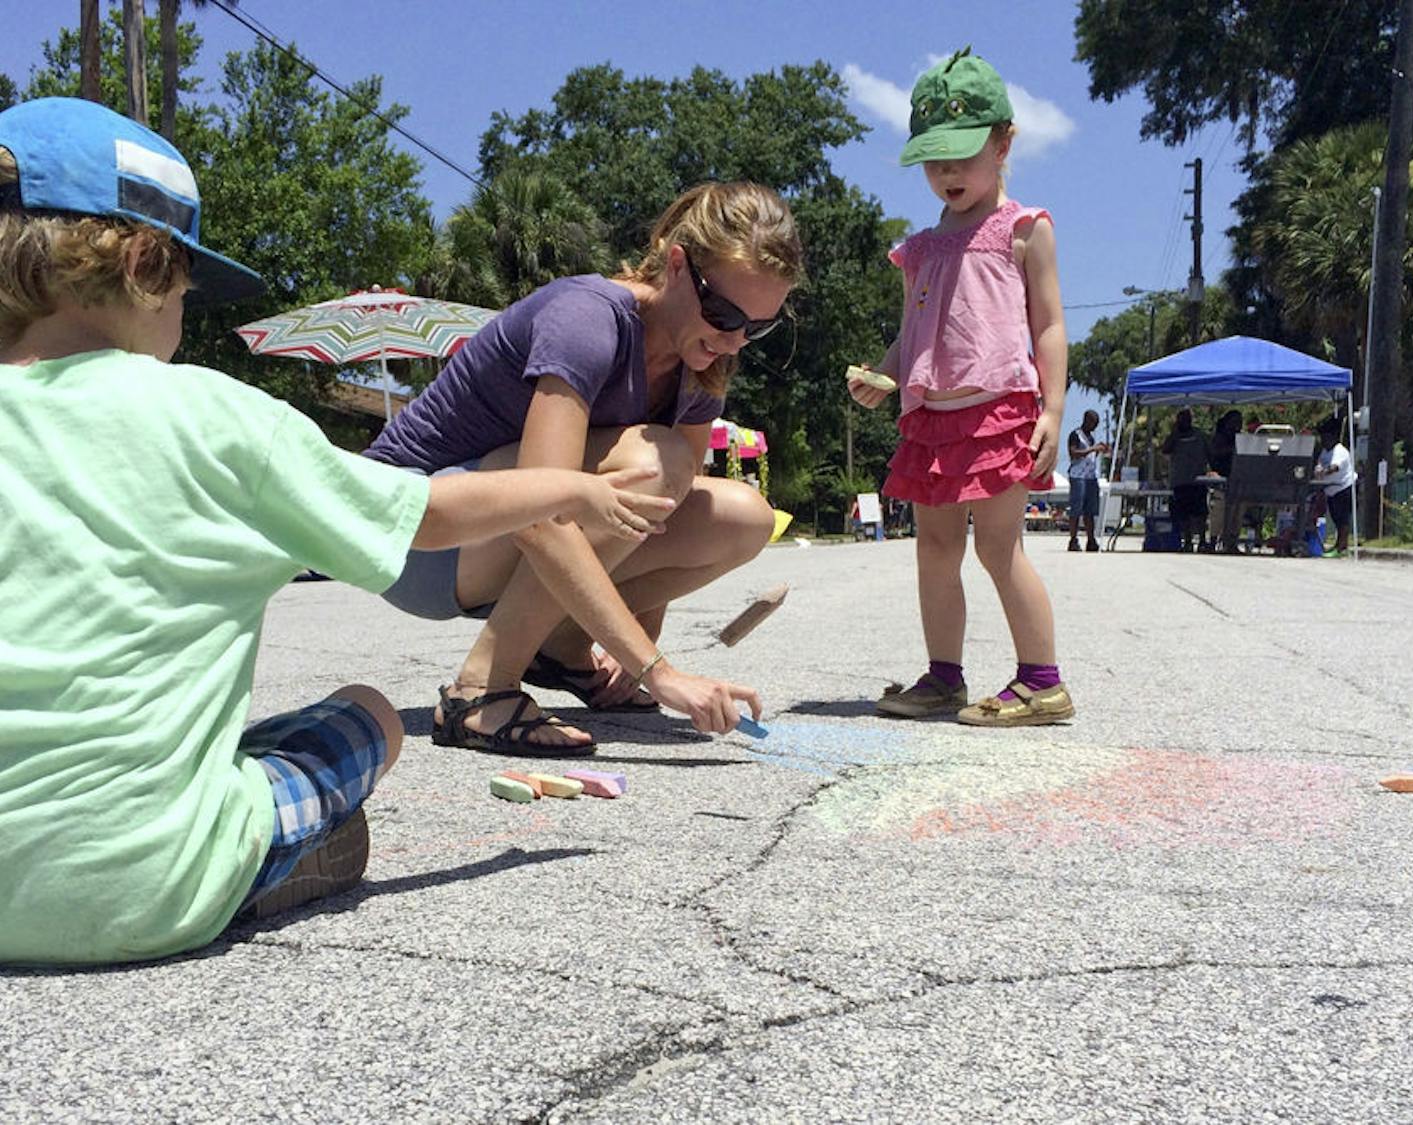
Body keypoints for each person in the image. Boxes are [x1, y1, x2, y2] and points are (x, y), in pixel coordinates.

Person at [0, 98, 671, 965]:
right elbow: (425, 512)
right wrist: (570, 486)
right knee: (367, 716)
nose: (183, 316)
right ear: (140, 262)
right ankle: (272, 861)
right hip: (145, 888)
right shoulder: (214, 416)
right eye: (187, 288)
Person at [365, 182, 798, 752]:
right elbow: (540, 517)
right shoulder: (589, 319)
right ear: (675, 266)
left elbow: (657, 515)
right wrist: (657, 671)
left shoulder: (702, 362)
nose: (735, 341)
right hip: (409, 537)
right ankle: (481, 689)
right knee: (656, 462)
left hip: (485, 539)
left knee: (744, 516)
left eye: (756, 328)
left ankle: (562, 648)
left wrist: (632, 651)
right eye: (723, 313)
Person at [847, 47, 1073, 728]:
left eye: (963, 156)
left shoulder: (1023, 231)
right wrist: (886, 374)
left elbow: (1052, 327)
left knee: (999, 548)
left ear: (1004, 144)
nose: (947, 172)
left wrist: (1053, 410)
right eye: (934, 159)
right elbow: (912, 331)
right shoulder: (919, 248)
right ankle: (943, 675)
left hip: (999, 409)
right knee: (935, 549)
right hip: (932, 420)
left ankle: (1042, 680)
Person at [1162, 408, 1210, 552]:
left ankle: (1202, 541)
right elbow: (1165, 449)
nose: (1184, 422)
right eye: (1181, 419)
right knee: (1183, 514)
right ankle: (1187, 541)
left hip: (1198, 480)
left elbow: (1209, 452)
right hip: (1180, 480)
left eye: (1187, 419)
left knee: (1200, 513)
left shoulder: (1199, 435)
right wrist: (1174, 433)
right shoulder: (1174, 437)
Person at [1313, 414, 1358, 556]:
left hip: (1344, 487)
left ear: (1332, 437)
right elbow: (1320, 462)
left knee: (1343, 518)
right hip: (1331, 490)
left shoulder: (1340, 451)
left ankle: (1342, 547)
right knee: (1335, 517)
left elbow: (1335, 467)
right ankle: (1337, 545)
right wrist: (1318, 467)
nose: (1323, 440)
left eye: (1325, 437)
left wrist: (1323, 473)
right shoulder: (1325, 451)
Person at [1065, 408, 1109, 551]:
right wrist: (1091, 449)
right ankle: (1073, 540)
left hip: (1091, 476)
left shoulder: (1091, 438)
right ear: (1086, 420)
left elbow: (1091, 457)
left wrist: (1100, 450)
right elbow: (1074, 453)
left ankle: (1091, 540)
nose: (1094, 427)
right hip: (1078, 476)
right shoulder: (1075, 435)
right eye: (1093, 423)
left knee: (1090, 510)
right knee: (1076, 508)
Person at [1206, 409, 1244, 553]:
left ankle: (1232, 542)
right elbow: (1215, 454)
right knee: (1219, 513)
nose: (1238, 425)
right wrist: (1231, 449)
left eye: (1240, 422)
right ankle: (1213, 541)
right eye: (1235, 422)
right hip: (1220, 480)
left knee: (1237, 512)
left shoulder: (1240, 438)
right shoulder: (1219, 438)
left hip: (1237, 480)